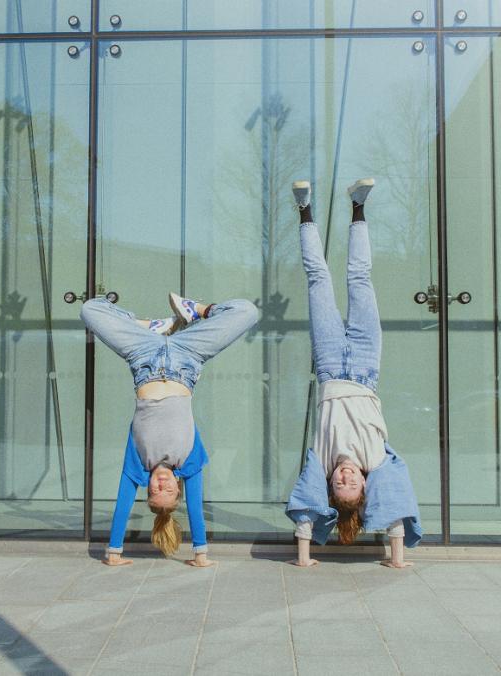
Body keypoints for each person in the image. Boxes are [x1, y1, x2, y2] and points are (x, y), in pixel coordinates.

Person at [285, 178, 422, 569]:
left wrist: (305, 558)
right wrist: (396, 560)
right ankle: (358, 206)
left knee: (318, 279)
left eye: (339, 485)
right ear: (365, 484)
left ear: (331, 484)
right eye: (353, 484)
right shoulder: (377, 460)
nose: (344, 477)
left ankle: (304, 211)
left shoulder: (322, 460)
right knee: (360, 279)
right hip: (365, 365)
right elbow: (394, 510)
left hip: (329, 363)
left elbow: (307, 509)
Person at [81, 292, 259, 567]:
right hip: (188, 357)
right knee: (247, 312)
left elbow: (122, 506)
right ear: (178, 488)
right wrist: (200, 554)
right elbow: (197, 510)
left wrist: (114, 552)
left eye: (155, 490)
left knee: (90, 309)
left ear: (147, 487)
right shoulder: (189, 461)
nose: (161, 484)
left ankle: (143, 326)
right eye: (168, 491)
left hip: (143, 356)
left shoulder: (138, 464)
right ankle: (196, 310)